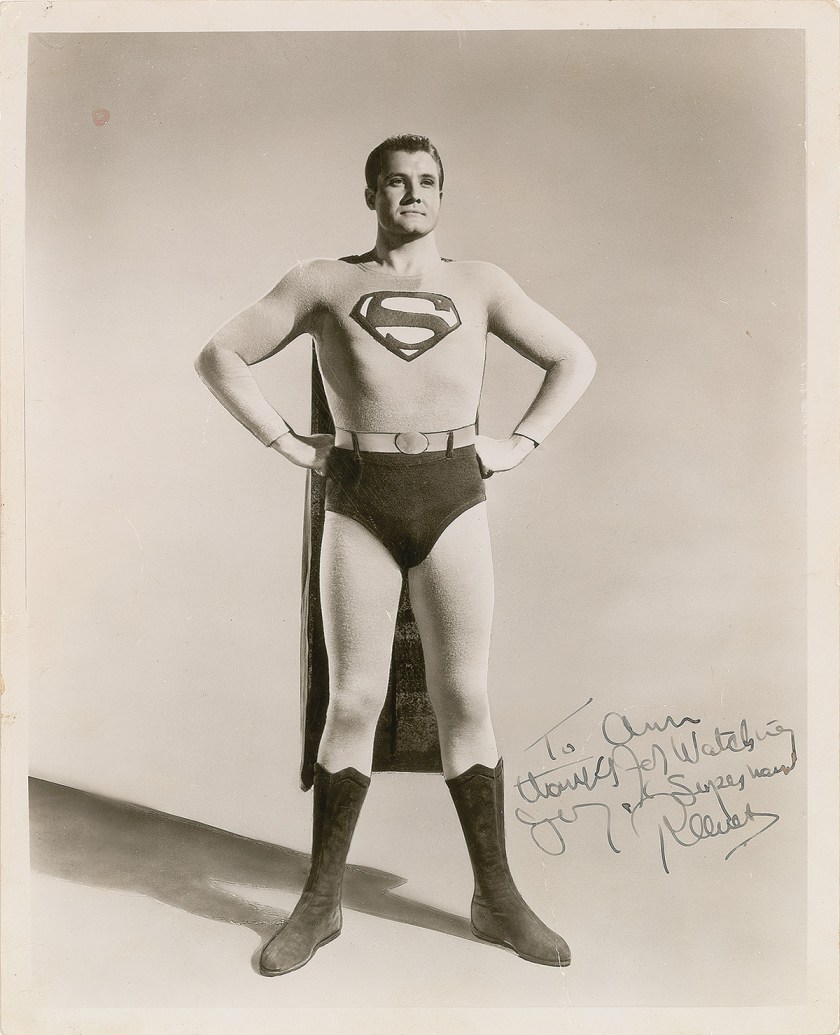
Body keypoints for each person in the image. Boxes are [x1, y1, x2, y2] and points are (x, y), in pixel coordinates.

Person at [195, 134, 596, 976]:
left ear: (442, 195)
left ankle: (496, 897)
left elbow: (573, 357)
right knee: (354, 699)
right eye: (396, 182)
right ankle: (321, 899)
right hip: (360, 496)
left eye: (427, 182)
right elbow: (219, 354)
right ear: (371, 193)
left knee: (465, 694)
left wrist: (521, 441)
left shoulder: (482, 284)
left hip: (454, 495)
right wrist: (284, 441)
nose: (413, 194)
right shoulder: (321, 282)